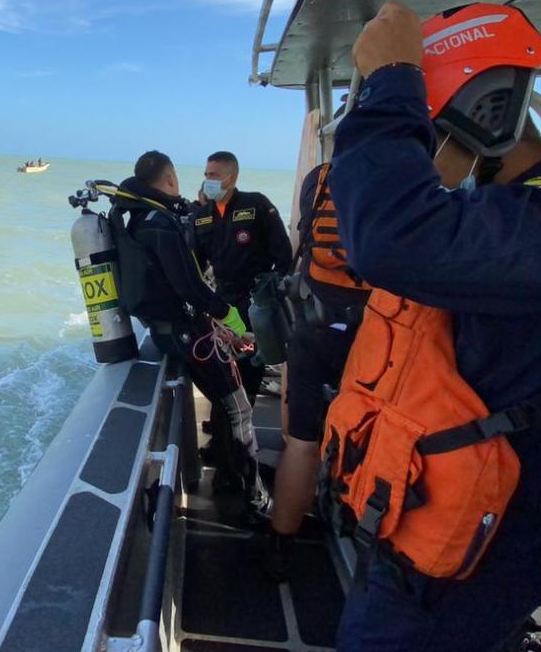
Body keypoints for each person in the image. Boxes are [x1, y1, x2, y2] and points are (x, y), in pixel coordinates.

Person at [321, 2, 541, 652]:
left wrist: (392, 82)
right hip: (426, 542)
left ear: (484, 114)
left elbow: (390, 237)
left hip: (461, 571)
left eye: (420, 130)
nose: (417, 158)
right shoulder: (526, 215)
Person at [109, 150, 271, 518]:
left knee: (228, 403)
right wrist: (229, 318)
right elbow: (190, 288)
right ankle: (257, 498)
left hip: (165, 331)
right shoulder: (161, 224)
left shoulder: (133, 218)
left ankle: (232, 474)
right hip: (190, 336)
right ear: (168, 179)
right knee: (240, 409)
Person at [258, 160, 371, 578]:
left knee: (302, 442)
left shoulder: (320, 177)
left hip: (314, 325)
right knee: (368, 438)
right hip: (374, 336)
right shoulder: (412, 173)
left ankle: (280, 546)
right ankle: (357, 531)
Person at [190, 151, 292, 405]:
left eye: (213, 175)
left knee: (248, 360)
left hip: (254, 298)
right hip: (222, 299)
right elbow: (193, 265)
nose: (207, 180)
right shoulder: (200, 217)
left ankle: (244, 417)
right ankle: (225, 420)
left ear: (231, 176)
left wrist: (271, 295)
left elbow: (283, 253)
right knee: (223, 361)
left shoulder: (256, 205)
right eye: (206, 175)